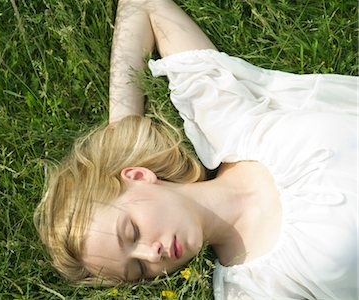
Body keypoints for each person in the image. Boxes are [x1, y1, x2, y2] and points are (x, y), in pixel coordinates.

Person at [34, 0, 358, 299]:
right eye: (139, 270)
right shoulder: (252, 290)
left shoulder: (226, 118)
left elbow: (142, 4)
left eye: (132, 232)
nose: (152, 254)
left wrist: (123, 130)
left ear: (137, 175)